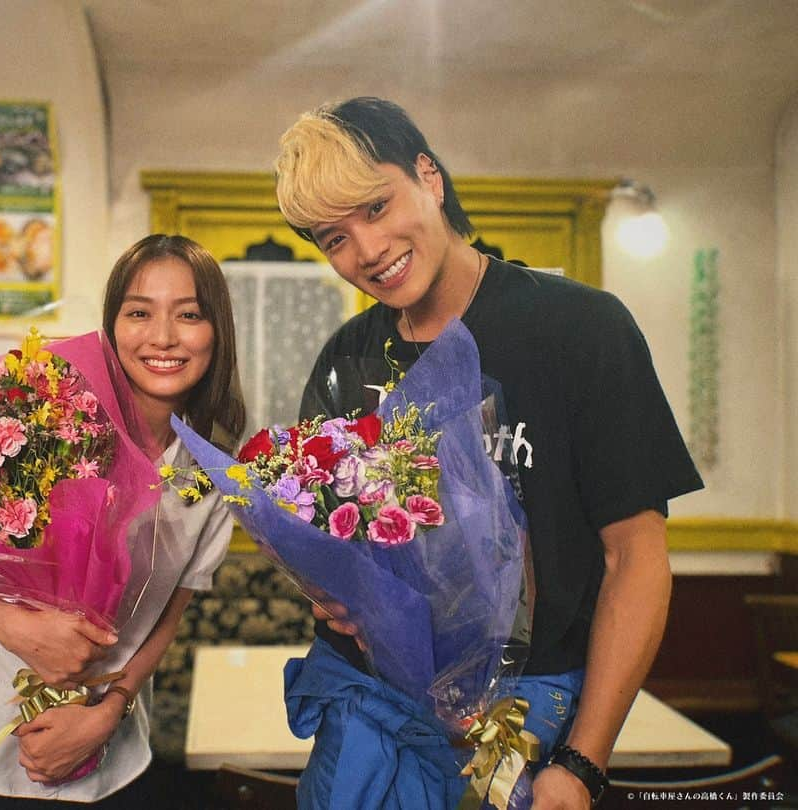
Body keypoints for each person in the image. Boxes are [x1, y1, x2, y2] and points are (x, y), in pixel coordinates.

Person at [274, 97, 703, 809]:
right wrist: (330, 593)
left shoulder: (582, 330)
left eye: (375, 208)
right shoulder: (346, 360)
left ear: (428, 176)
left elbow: (637, 558)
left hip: (530, 729)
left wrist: (583, 763)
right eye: (333, 237)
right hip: (373, 726)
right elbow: (325, 542)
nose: (366, 250)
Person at [0, 234, 246, 808]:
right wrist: (21, 632)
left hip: (107, 754)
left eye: (189, 315)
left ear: (216, 334)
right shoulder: (41, 423)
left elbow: (166, 615)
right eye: (139, 313)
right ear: (111, 329)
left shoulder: (212, 473)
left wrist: (111, 709)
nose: (163, 337)